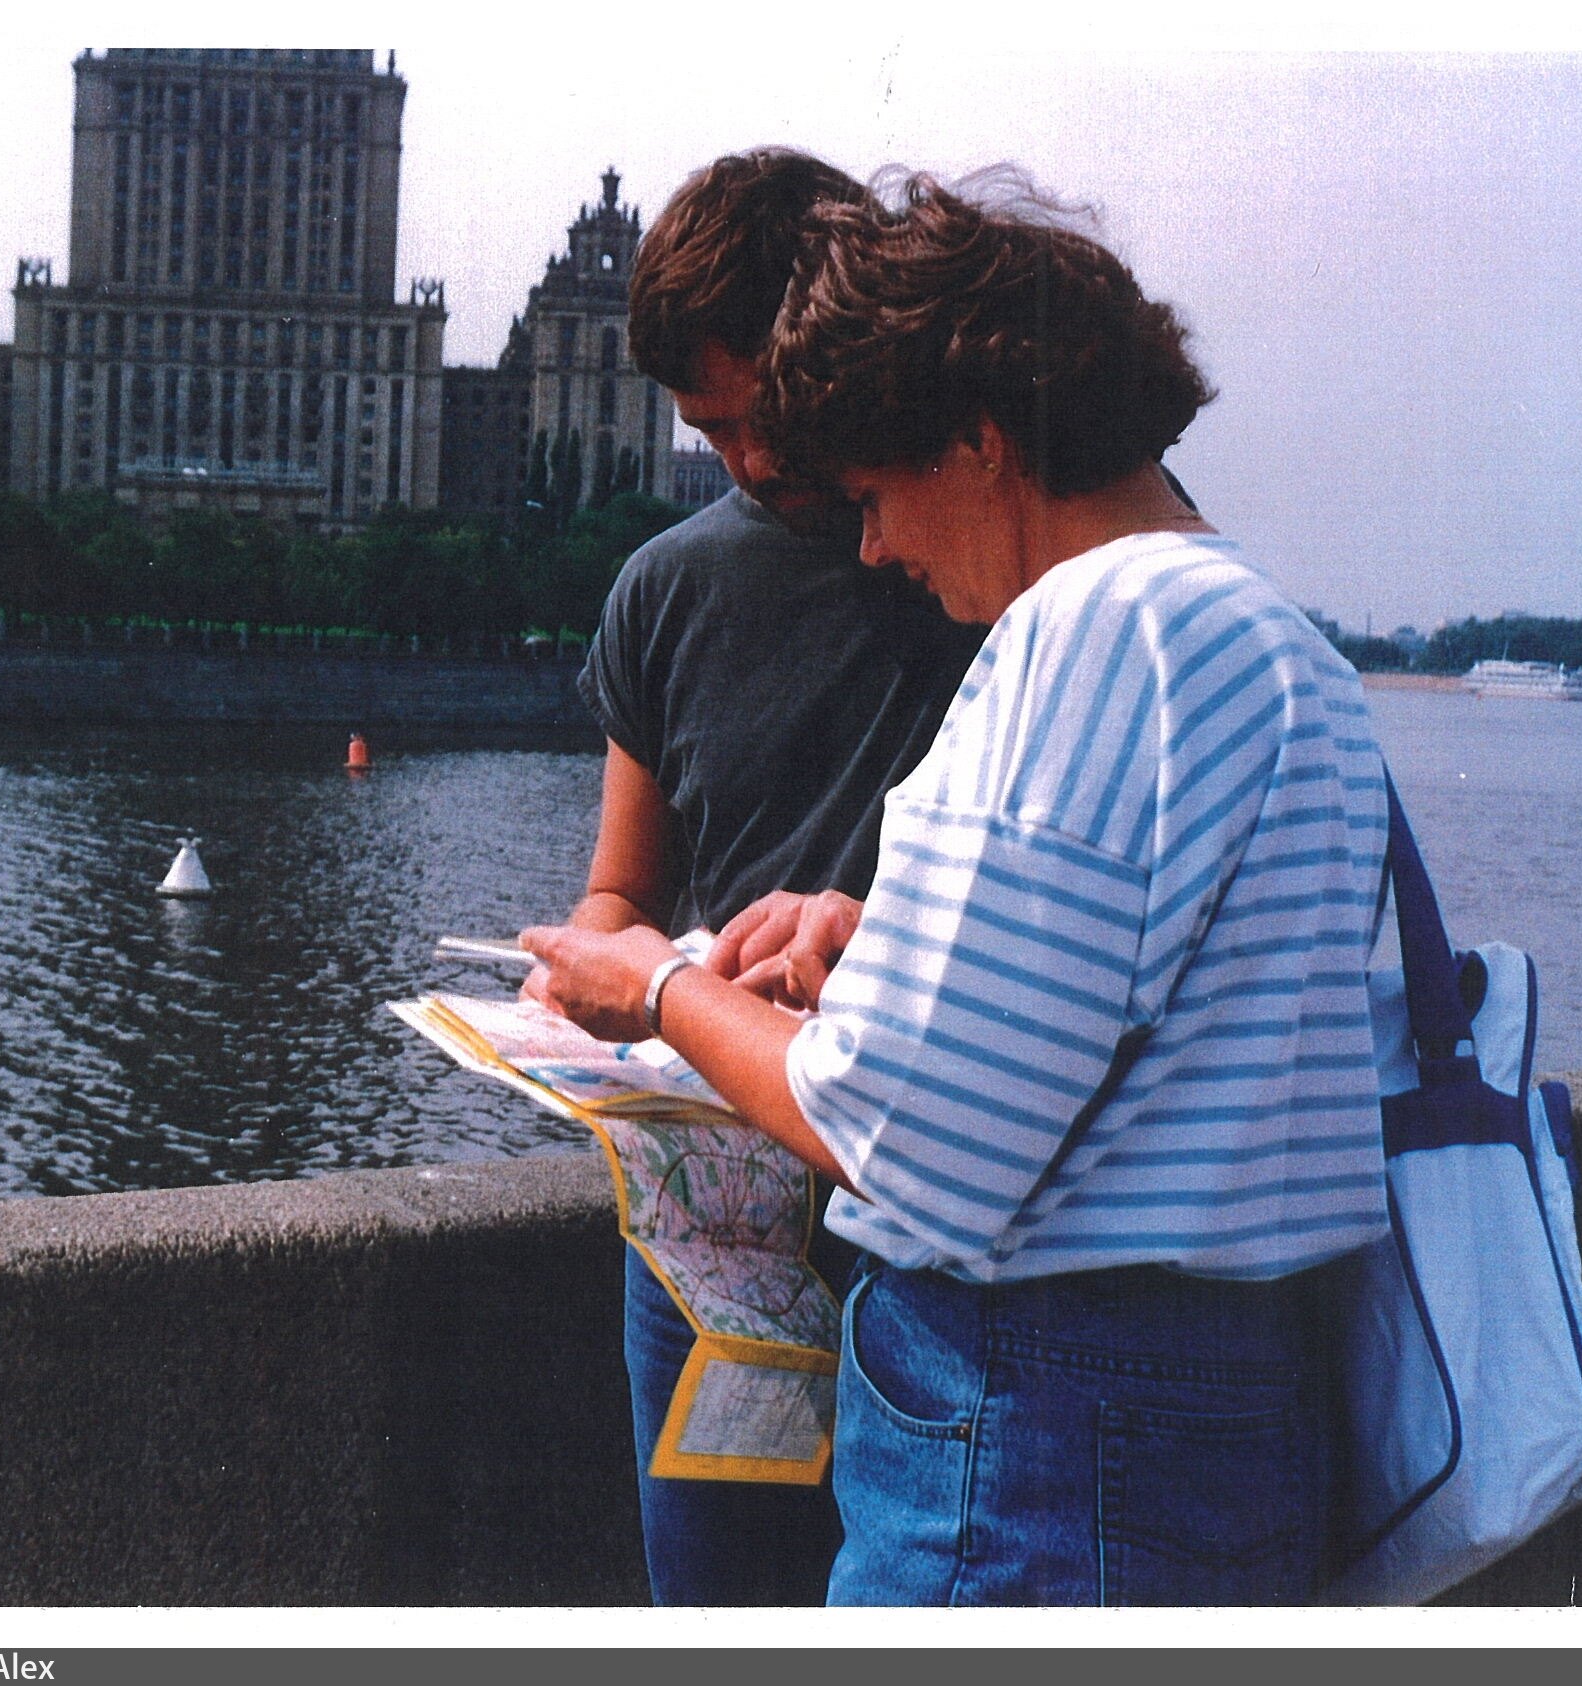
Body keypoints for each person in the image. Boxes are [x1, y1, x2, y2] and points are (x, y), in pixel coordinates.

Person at [522, 168, 1392, 1606]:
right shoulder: (1280, 645)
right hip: (1241, 1408)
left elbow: (898, 1136)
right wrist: (884, 945)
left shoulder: (1079, 638)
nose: (873, 545)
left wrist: (661, 985)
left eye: (874, 491)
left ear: (982, 441)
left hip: (1041, 1441)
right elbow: (1157, 1023)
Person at [536, 149, 986, 1607]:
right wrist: (595, 984)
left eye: (758, 417)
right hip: (711, 1237)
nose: (742, 459)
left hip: (924, 1227)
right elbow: (618, 896)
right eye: (706, 428)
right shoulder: (666, 590)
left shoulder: (976, 555)